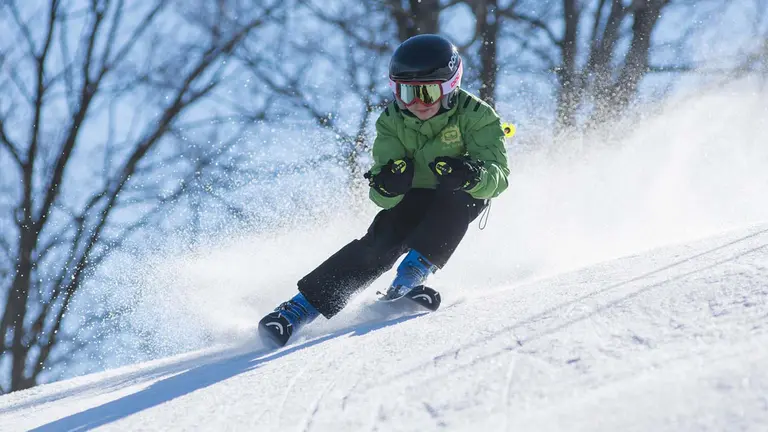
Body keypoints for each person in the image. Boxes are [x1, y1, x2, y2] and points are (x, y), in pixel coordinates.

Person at [258, 34, 510, 347]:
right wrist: (388, 184)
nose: (416, 103)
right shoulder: (392, 120)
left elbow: (499, 177)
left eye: (427, 92)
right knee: (382, 240)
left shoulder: (477, 115)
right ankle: (297, 310)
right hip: (414, 196)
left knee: (458, 200)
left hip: (458, 193)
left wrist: (472, 175)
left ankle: (409, 278)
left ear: (449, 86)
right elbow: (380, 194)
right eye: (405, 93)